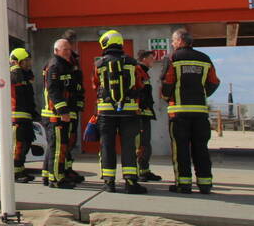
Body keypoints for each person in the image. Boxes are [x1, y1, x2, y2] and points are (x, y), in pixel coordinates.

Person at [160, 28, 220, 194]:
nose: (172, 44)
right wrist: (202, 94)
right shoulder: (205, 59)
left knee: (180, 149)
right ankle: (205, 183)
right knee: (201, 148)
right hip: (200, 112)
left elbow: (167, 81)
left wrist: (166, 97)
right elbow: (214, 82)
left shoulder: (172, 58)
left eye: (173, 41)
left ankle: (183, 184)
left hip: (178, 111)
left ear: (180, 41)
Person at [93, 30, 148, 194]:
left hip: (106, 111)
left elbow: (95, 85)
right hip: (129, 111)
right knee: (129, 146)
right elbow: (140, 83)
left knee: (107, 146)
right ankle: (131, 182)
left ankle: (109, 182)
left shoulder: (99, 64)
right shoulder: (132, 63)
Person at [41, 38, 78, 189]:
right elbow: (53, 90)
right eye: (65, 50)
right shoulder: (55, 66)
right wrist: (63, 111)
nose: (68, 52)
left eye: (69, 49)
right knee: (58, 148)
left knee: (54, 147)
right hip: (55, 115)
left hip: (57, 114)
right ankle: (56, 179)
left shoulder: (64, 65)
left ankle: (47, 175)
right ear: (56, 51)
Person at [61, 29, 85, 184]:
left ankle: (68, 168)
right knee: (65, 141)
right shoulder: (61, 62)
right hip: (66, 107)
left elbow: (78, 83)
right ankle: (62, 170)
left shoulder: (74, 60)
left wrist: (80, 101)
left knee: (71, 139)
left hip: (74, 105)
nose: (73, 46)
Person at [10, 48, 37, 183]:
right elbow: (16, 79)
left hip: (26, 117)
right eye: (25, 61)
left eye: (29, 61)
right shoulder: (14, 74)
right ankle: (15, 173)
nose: (29, 64)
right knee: (19, 146)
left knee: (26, 144)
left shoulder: (25, 76)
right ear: (18, 62)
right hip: (17, 118)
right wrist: (15, 66)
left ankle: (20, 169)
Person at [135, 49, 162, 182]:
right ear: (144, 59)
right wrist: (138, 109)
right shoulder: (138, 71)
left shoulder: (144, 72)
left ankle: (145, 171)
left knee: (146, 144)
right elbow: (136, 91)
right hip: (139, 115)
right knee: (141, 144)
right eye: (151, 58)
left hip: (145, 114)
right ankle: (139, 172)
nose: (154, 60)